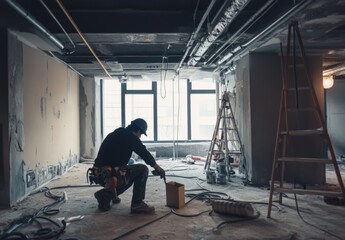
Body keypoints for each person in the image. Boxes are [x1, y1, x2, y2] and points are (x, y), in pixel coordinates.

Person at [91, 118, 165, 213]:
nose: (140, 137)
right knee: (142, 170)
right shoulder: (131, 137)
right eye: (141, 134)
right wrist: (157, 168)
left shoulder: (118, 133)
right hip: (108, 175)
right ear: (138, 131)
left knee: (126, 173)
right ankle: (135, 204)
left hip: (98, 174)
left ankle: (111, 195)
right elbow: (144, 153)